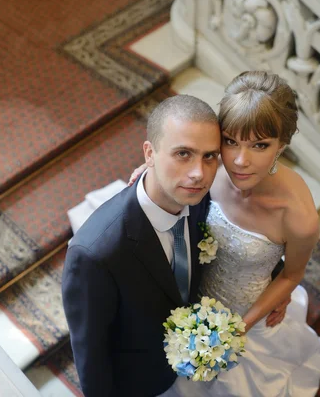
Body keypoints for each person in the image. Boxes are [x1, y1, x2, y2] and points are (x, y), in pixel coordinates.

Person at [130, 71, 320, 396]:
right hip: (190, 285)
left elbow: (292, 275)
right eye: (230, 141)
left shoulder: (298, 217)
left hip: (245, 309)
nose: (239, 161)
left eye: (260, 145)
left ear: (283, 145)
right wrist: (154, 175)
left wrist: (238, 328)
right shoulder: (212, 166)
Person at [61, 94, 222, 397]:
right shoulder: (96, 255)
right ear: (149, 153)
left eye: (210, 156)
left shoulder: (197, 199)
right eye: (183, 154)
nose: (199, 173)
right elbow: (91, 356)